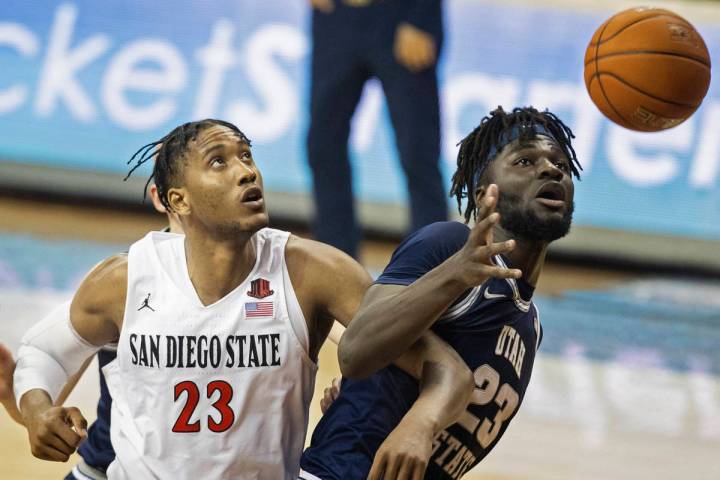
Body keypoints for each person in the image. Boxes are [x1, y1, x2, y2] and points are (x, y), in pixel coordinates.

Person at [13, 119, 482, 479]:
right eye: (220, 161)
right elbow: (45, 351)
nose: (245, 171)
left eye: (246, 156)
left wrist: (420, 423)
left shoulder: (313, 272)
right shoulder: (127, 277)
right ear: (178, 201)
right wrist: (36, 411)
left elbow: (445, 367)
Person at [300, 106, 582, 479]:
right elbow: (355, 350)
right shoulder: (449, 244)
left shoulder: (530, 324)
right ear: (485, 195)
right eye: (526, 161)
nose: (550, 169)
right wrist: (455, 274)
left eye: (560, 163)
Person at [0, 186, 181, 480]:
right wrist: (19, 396)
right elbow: (43, 412)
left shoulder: (271, 272)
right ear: (163, 197)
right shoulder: (121, 280)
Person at [307, 0, 447, 258]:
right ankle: (336, 263)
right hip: (337, 17)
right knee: (322, 146)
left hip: (402, 16)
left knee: (418, 155)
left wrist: (421, 15)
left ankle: (433, 268)